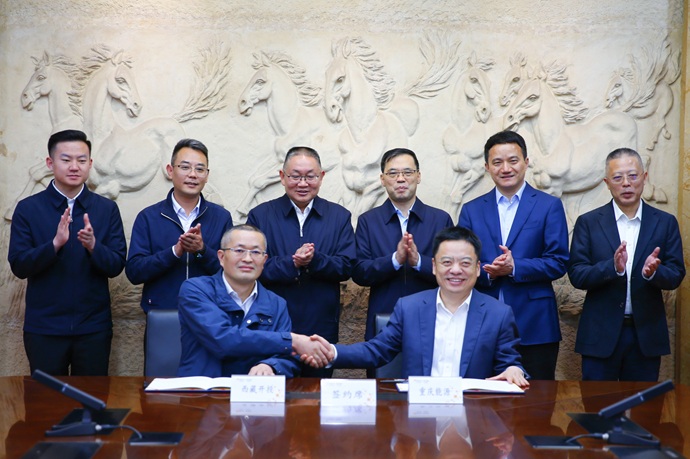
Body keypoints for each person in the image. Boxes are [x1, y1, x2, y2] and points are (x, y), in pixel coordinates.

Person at [305, 226, 529, 388]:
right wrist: (331, 351)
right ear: (434, 266)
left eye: (465, 263)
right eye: (447, 262)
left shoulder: (498, 313)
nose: (455, 270)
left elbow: (510, 363)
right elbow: (376, 351)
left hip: (473, 415)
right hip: (418, 416)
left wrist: (514, 369)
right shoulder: (409, 308)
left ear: (478, 268)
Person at [8, 129, 127, 375]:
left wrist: (94, 246)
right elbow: (19, 265)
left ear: (90, 164)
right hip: (44, 329)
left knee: (92, 397)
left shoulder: (106, 209)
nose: (74, 166)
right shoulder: (28, 209)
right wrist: (54, 245)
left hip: (93, 328)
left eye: (81, 160)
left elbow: (116, 265)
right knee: (45, 398)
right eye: (66, 159)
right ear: (50, 163)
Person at [457, 130, 568, 380]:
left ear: (526, 162)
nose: (505, 168)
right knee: (483, 396)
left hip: (536, 324)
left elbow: (558, 261)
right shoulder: (471, 210)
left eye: (513, 160)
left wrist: (515, 267)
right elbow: (462, 263)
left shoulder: (548, 206)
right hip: (483, 321)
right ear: (487, 167)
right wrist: (489, 272)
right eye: (497, 162)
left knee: (538, 397)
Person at [568, 148, 685, 381]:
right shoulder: (588, 222)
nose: (626, 183)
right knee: (597, 403)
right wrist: (612, 268)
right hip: (600, 335)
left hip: (645, 335)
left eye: (632, 176)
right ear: (607, 183)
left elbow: (676, 274)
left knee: (644, 404)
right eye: (617, 177)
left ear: (644, 177)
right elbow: (577, 274)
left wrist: (653, 273)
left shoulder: (665, 222)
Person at [247, 146, 356, 378]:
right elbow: (253, 267)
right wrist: (292, 263)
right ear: (282, 177)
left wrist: (315, 260)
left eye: (310, 176)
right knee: (272, 390)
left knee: (315, 393)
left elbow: (347, 266)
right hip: (272, 324)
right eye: (295, 176)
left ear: (321, 177)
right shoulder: (260, 215)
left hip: (320, 326)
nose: (303, 183)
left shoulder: (339, 217)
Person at [177, 225, 334, 377]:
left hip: (254, 391)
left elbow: (289, 356)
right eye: (239, 250)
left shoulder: (276, 303)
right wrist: (292, 340)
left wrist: (271, 366)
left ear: (264, 260)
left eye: (256, 252)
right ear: (221, 257)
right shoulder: (196, 290)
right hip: (201, 390)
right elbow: (222, 339)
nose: (247, 259)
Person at [352, 148, 453, 342]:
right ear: (382, 179)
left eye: (407, 172)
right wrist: (394, 260)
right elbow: (359, 271)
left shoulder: (440, 220)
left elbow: (452, 271)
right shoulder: (368, 221)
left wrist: (419, 262)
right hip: (383, 319)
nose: (400, 179)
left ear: (418, 176)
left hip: (433, 318)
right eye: (393, 173)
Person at [126, 138, 233, 312]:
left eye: (200, 169)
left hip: (211, 315)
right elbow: (134, 273)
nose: (193, 174)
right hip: (161, 314)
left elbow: (231, 272)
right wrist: (174, 253)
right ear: (170, 170)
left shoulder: (221, 217)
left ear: (207, 175)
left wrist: (201, 251)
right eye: (185, 167)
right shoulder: (148, 217)